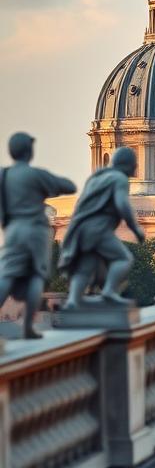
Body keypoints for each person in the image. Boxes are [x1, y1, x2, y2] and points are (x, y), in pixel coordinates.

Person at [0, 132, 76, 338]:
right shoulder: (36, 175)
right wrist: (46, 189)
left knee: (7, 273)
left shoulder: (3, 174)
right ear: (29, 151)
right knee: (35, 276)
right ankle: (27, 327)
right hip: (36, 229)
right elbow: (70, 186)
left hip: (14, 230)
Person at [59, 147, 145, 309]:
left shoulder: (96, 178)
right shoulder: (119, 178)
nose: (136, 168)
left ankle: (74, 301)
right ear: (128, 164)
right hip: (97, 228)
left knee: (86, 264)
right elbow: (122, 204)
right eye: (135, 164)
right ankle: (109, 293)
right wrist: (135, 228)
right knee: (123, 258)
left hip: (80, 228)